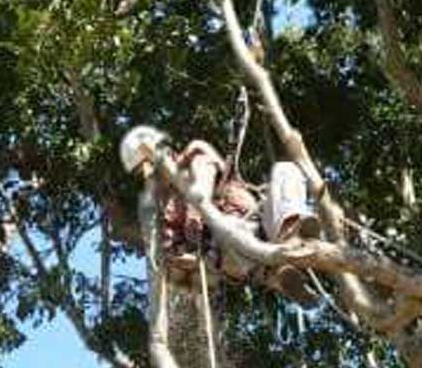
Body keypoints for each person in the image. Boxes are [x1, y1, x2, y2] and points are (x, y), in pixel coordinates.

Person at [119, 126, 318, 305]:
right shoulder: (166, 213)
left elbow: (205, 174)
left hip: (260, 225)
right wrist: (186, 261)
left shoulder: (196, 156)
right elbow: (175, 261)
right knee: (227, 233)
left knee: (285, 169)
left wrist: (196, 209)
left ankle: (291, 239)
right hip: (227, 250)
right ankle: (280, 276)